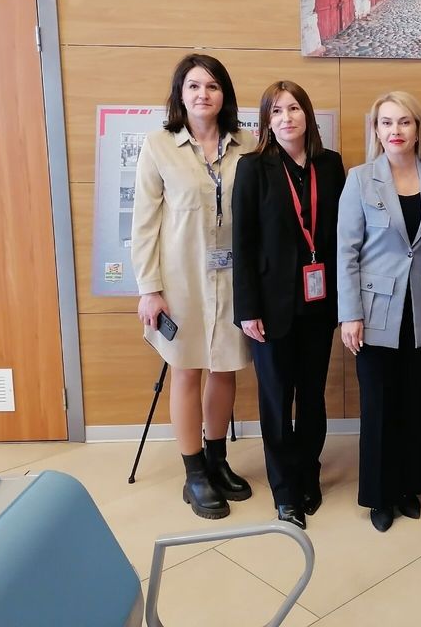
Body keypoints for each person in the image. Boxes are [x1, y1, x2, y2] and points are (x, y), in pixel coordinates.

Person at [132, 53, 255, 519]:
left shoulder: (247, 144)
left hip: (233, 279)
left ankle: (217, 459)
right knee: (186, 370)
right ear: (180, 94)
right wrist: (150, 288)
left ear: (225, 94)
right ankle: (195, 473)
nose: (203, 94)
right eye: (194, 86)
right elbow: (144, 223)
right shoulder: (158, 145)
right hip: (180, 281)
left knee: (224, 369)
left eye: (212, 86)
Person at [232, 81, 345, 528]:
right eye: (276, 111)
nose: (286, 118)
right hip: (270, 306)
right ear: (266, 121)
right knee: (277, 400)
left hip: (319, 303)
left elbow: (342, 236)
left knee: (312, 396)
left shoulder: (330, 165)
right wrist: (247, 309)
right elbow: (242, 243)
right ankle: (284, 490)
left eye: (294, 108)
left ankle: (308, 473)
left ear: (307, 115)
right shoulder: (253, 167)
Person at [337, 91, 421, 533]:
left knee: (416, 401)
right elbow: (346, 253)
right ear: (376, 130)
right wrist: (350, 314)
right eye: (386, 122)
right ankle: (380, 495)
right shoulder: (360, 179)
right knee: (378, 404)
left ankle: (410, 487)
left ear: (418, 129)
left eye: (404, 122)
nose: (396, 130)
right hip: (375, 310)